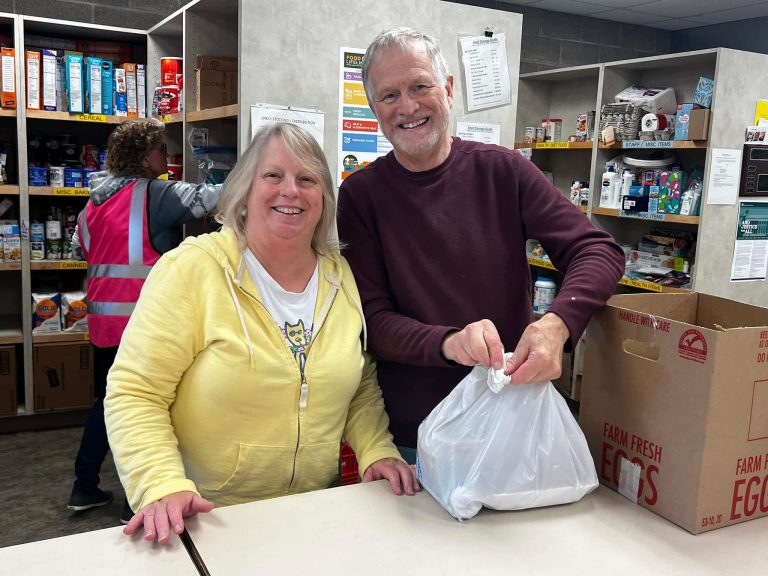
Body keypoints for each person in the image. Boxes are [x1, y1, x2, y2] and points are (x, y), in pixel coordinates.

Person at [104, 122, 417, 545]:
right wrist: (159, 483)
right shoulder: (194, 270)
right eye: (273, 175)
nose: (291, 190)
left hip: (311, 516)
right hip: (205, 518)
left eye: (307, 179)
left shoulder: (340, 277)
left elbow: (357, 380)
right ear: (243, 191)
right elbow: (135, 392)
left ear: (323, 200)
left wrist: (376, 447)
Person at [337, 28, 626, 463]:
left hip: (508, 424)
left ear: (448, 89)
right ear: (375, 108)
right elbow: (373, 322)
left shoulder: (503, 172)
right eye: (390, 95)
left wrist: (556, 325)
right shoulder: (361, 196)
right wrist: (451, 343)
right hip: (413, 439)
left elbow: (598, 250)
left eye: (420, 86)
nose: (408, 106)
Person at [67, 119, 222, 522]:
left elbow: (79, 246)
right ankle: (136, 502)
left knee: (111, 402)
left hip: (103, 324)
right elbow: (213, 199)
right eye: (160, 151)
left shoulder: (93, 203)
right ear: (146, 155)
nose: (165, 159)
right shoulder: (157, 194)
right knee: (154, 409)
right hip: (148, 325)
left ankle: (84, 487)